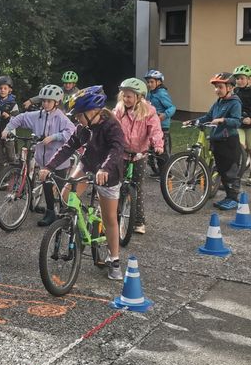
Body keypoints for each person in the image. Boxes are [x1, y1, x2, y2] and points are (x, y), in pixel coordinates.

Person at [38, 85, 126, 280]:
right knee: (66, 195)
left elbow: (117, 149)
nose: (76, 119)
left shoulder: (112, 125)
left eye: (78, 115)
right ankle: (75, 222)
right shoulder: (83, 127)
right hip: (88, 164)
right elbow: (69, 147)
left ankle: (114, 259)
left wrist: (104, 169)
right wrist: (49, 167)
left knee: (109, 218)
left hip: (109, 172)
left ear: (92, 112)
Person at [1, 84, 77, 226]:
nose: (45, 103)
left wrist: (54, 137)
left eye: (49, 101)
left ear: (57, 102)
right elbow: (21, 118)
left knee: (59, 189)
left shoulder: (61, 118)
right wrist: (8, 128)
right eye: (43, 101)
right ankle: (50, 212)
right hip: (43, 159)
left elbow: (71, 132)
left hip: (58, 160)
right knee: (47, 186)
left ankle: (62, 212)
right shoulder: (38, 115)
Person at [184, 73, 243, 210]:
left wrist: (223, 120)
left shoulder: (235, 103)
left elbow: (237, 121)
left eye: (220, 87)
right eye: (215, 87)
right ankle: (225, 194)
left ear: (230, 87)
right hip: (217, 140)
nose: (217, 90)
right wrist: (195, 121)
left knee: (229, 171)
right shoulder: (218, 102)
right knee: (221, 169)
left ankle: (233, 198)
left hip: (228, 141)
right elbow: (209, 116)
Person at [113, 78, 164, 235]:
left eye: (129, 96)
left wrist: (158, 145)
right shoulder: (119, 110)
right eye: (124, 96)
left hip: (139, 154)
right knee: (117, 186)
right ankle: (114, 217)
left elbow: (155, 130)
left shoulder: (148, 111)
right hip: (122, 153)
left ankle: (139, 221)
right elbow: (112, 126)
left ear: (139, 97)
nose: (126, 99)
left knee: (137, 187)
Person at [144, 69, 176, 165]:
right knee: (152, 149)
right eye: (148, 82)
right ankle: (158, 171)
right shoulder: (151, 93)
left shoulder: (161, 93)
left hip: (162, 126)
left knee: (162, 151)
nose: (149, 84)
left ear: (159, 82)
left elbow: (172, 107)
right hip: (153, 125)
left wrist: (165, 115)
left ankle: (167, 174)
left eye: (152, 82)